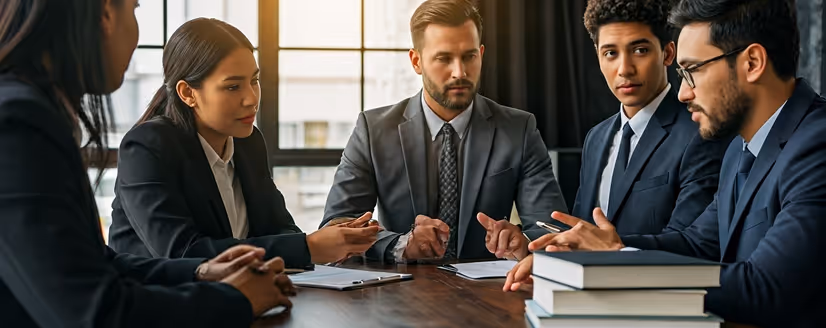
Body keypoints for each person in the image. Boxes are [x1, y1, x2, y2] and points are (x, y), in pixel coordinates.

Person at [506, 0, 826, 326]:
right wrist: (593, 249)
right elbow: (696, 243)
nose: (684, 93)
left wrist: (616, 261)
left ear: (753, 62)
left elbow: (767, 287)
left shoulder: (818, 145)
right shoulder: (739, 150)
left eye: (693, 71)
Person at [0, 0, 295, 326]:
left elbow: (98, 264)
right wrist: (235, 299)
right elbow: (93, 312)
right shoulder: (17, 123)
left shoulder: (27, 111)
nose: (251, 98)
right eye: (135, 8)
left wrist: (202, 272)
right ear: (106, 14)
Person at [108, 18, 380, 269]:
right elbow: (183, 253)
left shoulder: (248, 142)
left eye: (254, 81)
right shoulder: (147, 147)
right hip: (161, 306)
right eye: (232, 87)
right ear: (188, 93)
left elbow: (279, 229)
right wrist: (308, 248)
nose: (252, 99)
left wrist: (333, 240)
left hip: (237, 298)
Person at [321, 0, 567, 263]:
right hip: (398, 294)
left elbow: (553, 230)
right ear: (416, 61)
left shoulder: (519, 129)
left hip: (490, 294)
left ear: (481, 55)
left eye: (469, 56)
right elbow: (337, 227)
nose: (459, 72)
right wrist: (400, 245)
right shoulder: (374, 130)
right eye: (444, 58)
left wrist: (523, 243)